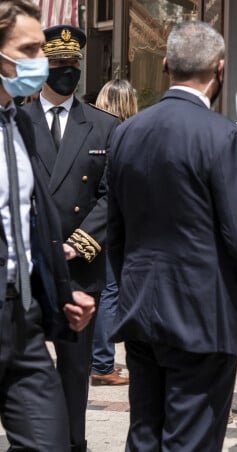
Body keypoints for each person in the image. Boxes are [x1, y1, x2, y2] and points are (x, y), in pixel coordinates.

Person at [107, 20, 237, 451]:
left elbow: (116, 231)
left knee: (145, 432)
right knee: (191, 439)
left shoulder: (125, 132)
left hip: (141, 305)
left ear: (165, 65)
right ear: (219, 69)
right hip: (203, 313)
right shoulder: (225, 137)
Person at [0, 0, 95, 449]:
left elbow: (25, 223)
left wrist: (60, 288)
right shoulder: (22, 120)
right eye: (31, 51)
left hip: (25, 313)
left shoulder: (13, 125)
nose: (44, 62)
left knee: (50, 439)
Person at [22, 24, 120, 452]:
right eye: (58, 63)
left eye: (73, 64)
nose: (67, 71)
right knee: (22, 369)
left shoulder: (103, 126)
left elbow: (112, 195)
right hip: (26, 266)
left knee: (75, 372)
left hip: (80, 266)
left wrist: (76, 242)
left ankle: (73, 442)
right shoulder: (14, 122)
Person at [89, 79, 138, 386]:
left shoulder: (91, 129)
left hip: (88, 222)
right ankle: (103, 363)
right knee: (110, 291)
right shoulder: (126, 134)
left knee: (98, 290)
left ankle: (98, 358)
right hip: (113, 222)